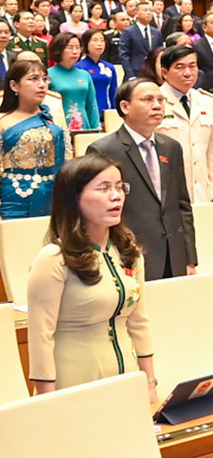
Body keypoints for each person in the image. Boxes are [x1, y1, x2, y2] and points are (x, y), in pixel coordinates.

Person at [25, 155, 153, 397]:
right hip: (73, 385)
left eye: (119, 187)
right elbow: (40, 337)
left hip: (126, 379)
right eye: (103, 189)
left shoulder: (129, 252)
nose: (115, 196)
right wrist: (46, 401)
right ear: (74, 198)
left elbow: (140, 322)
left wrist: (150, 382)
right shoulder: (53, 258)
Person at [94, 78, 195, 281]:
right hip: (130, 254)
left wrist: (189, 258)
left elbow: (181, 205)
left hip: (173, 255)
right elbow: (99, 213)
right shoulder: (104, 150)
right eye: (148, 99)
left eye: (160, 99)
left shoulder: (171, 147)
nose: (157, 105)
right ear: (125, 106)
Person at [156, 44, 213, 204]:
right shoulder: (154, 101)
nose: (188, 73)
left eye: (192, 66)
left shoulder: (208, 102)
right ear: (164, 72)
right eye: (180, 67)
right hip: (167, 195)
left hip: (202, 193)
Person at [0, 57, 66, 218]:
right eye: (33, 79)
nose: (42, 85)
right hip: (14, 196)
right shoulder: (2, 120)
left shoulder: (54, 116)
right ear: (14, 85)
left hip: (54, 194)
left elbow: (67, 157)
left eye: (45, 79)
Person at [45, 32, 99, 131]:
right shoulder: (48, 75)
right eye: (69, 47)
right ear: (59, 49)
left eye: (78, 47)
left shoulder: (85, 75)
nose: (75, 51)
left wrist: (95, 128)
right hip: (58, 126)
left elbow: (91, 105)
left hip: (84, 126)